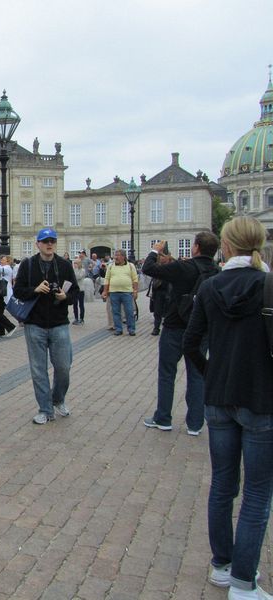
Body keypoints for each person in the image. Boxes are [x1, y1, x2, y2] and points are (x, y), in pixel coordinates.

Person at [182, 217, 273, 599]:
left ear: (228, 246)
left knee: (222, 484)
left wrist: (211, 373)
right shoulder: (268, 285)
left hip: (218, 398)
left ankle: (222, 565)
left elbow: (191, 343)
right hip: (260, 398)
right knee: (255, 493)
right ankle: (242, 582)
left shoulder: (210, 285)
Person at [141, 232, 219, 434]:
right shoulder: (217, 271)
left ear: (196, 248)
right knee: (197, 376)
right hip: (201, 330)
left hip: (175, 326)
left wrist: (155, 250)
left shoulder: (183, 267)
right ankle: (195, 423)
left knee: (167, 373)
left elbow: (148, 268)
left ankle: (163, 418)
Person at [13, 228, 79, 425]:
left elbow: (75, 292)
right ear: (38, 244)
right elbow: (18, 291)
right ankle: (45, 409)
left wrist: (64, 296)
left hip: (59, 323)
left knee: (63, 367)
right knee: (38, 369)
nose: (49, 244)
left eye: (52, 241)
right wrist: (35, 290)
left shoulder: (64, 265)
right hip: (35, 324)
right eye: (45, 241)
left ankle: (57, 399)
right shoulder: (28, 265)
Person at [101, 249, 139, 336]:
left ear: (123, 257)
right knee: (115, 312)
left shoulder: (130, 266)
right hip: (114, 292)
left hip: (127, 292)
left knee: (129, 311)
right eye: (115, 255)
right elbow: (107, 279)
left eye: (118, 255)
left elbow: (135, 279)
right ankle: (118, 329)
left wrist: (135, 291)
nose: (116, 257)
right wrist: (105, 291)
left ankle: (131, 329)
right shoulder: (111, 266)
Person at [0, 254, 17, 338]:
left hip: (4, 294)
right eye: (1, 260)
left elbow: (0, 269)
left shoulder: (7, 268)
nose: (1, 261)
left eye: (3, 260)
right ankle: (0, 332)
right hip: (0, 294)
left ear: (8, 261)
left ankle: (11, 327)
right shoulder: (2, 269)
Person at [72, 257, 86, 325]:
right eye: (74, 263)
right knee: (75, 304)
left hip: (81, 289)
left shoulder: (83, 270)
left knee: (81, 305)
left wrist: (76, 269)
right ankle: (76, 318)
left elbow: (78, 277)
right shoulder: (73, 270)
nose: (74, 264)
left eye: (76, 263)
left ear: (79, 264)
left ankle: (82, 318)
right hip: (74, 289)